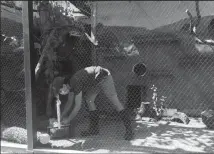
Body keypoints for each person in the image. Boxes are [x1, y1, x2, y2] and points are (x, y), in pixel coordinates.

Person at [51, 66, 134, 140]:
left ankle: (129, 131)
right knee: (89, 100)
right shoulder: (70, 86)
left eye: (60, 91)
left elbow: (77, 106)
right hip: (95, 81)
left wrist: (68, 120)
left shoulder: (75, 82)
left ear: (64, 85)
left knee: (115, 102)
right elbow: (69, 103)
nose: (61, 93)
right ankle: (94, 130)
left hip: (104, 76)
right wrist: (61, 118)